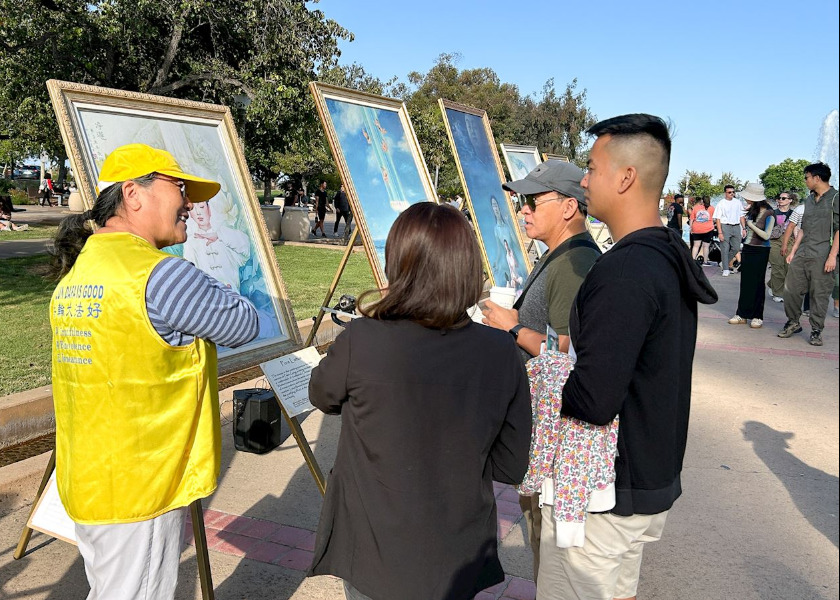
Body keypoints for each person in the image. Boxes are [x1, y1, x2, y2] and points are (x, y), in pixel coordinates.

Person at [49, 143, 259, 600]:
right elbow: (245, 323)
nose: (190, 202)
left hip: (90, 479)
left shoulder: (82, 269)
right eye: (179, 187)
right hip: (141, 486)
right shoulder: (161, 276)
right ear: (133, 194)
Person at [306, 202, 531, 600]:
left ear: (398, 265)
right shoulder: (500, 350)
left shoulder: (364, 339)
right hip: (458, 549)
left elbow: (321, 393)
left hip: (375, 550)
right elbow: (511, 464)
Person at [550, 114, 717, 600]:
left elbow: (594, 399)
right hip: (648, 475)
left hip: (610, 489)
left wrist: (547, 377)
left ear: (625, 177)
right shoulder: (666, 253)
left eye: (592, 167)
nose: (584, 179)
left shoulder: (625, 270)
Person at [482, 160, 601, 582]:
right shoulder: (559, 255)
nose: (524, 210)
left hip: (551, 431)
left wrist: (511, 326)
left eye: (534, 201)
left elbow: (564, 350)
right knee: (541, 541)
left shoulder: (575, 264)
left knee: (547, 546)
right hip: (541, 424)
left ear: (569, 207)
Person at [779, 162, 839, 346]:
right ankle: (793, 322)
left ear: (816, 178)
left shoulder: (836, 198)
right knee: (790, 289)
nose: (805, 181)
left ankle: (816, 330)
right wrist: (793, 251)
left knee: (819, 295)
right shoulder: (809, 199)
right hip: (803, 252)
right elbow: (803, 228)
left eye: (807, 178)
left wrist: (831, 256)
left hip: (823, 254)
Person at [727, 183, 775, 328]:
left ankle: (757, 316)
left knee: (758, 283)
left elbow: (766, 235)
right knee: (746, 283)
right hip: (748, 248)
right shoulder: (753, 210)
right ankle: (742, 314)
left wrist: (750, 224)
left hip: (761, 250)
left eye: (748, 197)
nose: (746, 199)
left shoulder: (769, 213)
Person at [183, 199, 250, 290]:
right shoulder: (191, 243)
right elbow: (191, 276)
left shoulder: (226, 236)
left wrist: (219, 235)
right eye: (192, 209)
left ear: (209, 209)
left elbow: (245, 249)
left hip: (233, 295)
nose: (198, 212)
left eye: (202, 207)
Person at [767, 191, 796, 302]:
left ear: (790, 200)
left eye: (783, 198)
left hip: (789, 240)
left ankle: (772, 284)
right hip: (774, 240)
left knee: (788, 268)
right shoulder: (772, 213)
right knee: (777, 266)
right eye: (779, 198)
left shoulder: (794, 213)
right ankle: (778, 293)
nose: (780, 200)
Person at [715, 185, 746, 276]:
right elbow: (718, 219)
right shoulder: (721, 203)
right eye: (729, 192)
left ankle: (724, 262)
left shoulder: (738, 202)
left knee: (736, 248)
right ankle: (725, 268)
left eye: (733, 192)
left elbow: (741, 216)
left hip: (736, 226)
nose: (732, 194)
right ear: (725, 193)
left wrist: (744, 228)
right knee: (725, 248)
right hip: (725, 226)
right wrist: (720, 232)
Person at [689, 195, 715, 264]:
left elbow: (691, 219)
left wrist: (691, 228)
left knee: (696, 246)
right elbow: (714, 218)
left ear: (702, 201)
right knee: (706, 246)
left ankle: (693, 261)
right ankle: (705, 261)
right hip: (708, 229)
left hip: (696, 229)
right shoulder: (712, 208)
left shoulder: (696, 208)